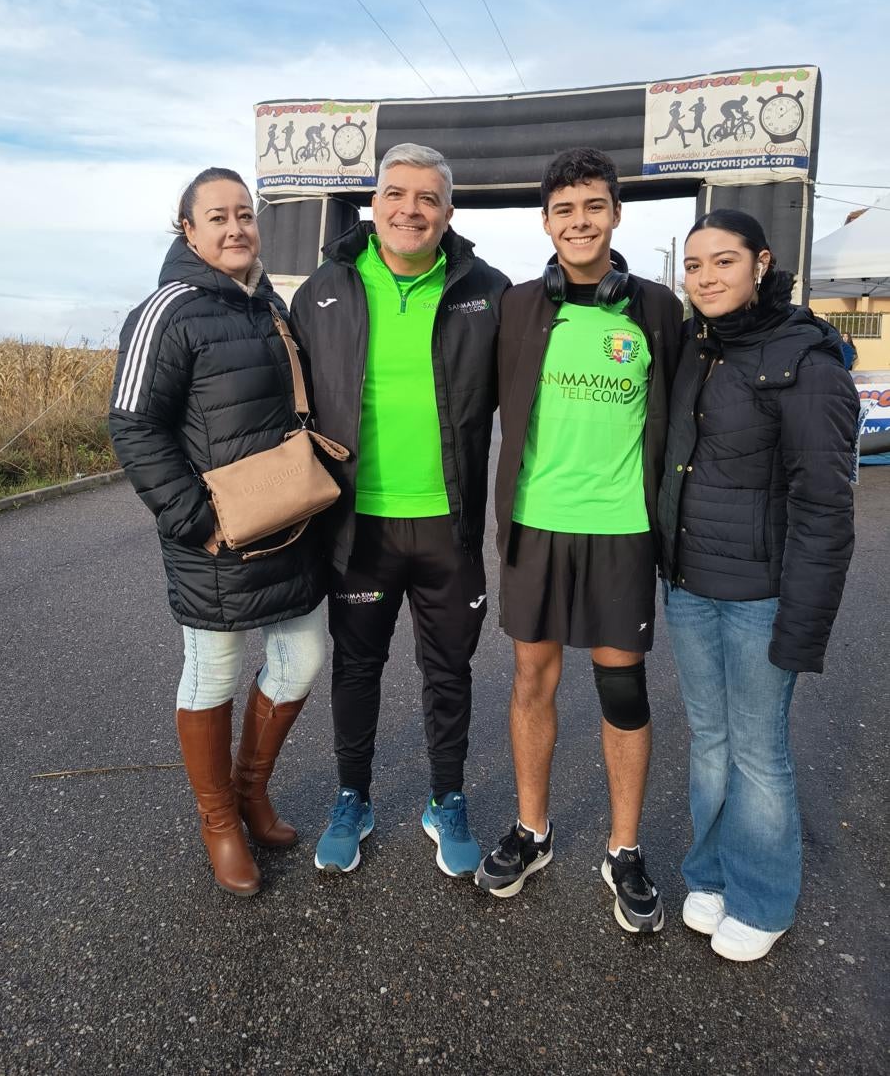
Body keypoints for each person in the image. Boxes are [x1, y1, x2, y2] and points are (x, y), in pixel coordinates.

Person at [476, 148, 682, 934]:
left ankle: (622, 848)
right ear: (545, 223)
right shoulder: (518, 306)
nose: (579, 222)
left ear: (616, 214)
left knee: (620, 690)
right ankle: (532, 830)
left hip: (621, 531)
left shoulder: (656, 309)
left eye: (592, 206)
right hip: (536, 524)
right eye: (563, 210)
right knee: (532, 677)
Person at [290, 143, 510, 877]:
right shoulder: (324, 288)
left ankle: (445, 797)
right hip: (360, 526)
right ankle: (353, 794)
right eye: (394, 193)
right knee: (357, 666)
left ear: (447, 212)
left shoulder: (488, 290)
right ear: (372, 202)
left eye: (426, 197)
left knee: (448, 669)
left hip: (447, 526)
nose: (408, 208)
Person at [109, 168, 327, 897]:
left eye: (245, 214)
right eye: (217, 217)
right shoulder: (166, 310)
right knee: (214, 674)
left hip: (286, 526)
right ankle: (218, 821)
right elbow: (133, 424)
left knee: (301, 658)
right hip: (213, 538)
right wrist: (192, 519)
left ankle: (250, 790)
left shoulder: (269, 304)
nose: (235, 227)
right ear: (187, 229)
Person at [658, 208, 858, 961]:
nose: (706, 277)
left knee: (756, 750)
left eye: (723, 262)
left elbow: (823, 507)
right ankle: (707, 873)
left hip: (758, 600)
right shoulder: (697, 347)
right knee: (708, 741)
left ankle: (763, 895)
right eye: (695, 264)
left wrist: (802, 624)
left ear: (761, 263)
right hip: (687, 585)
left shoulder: (805, 360)